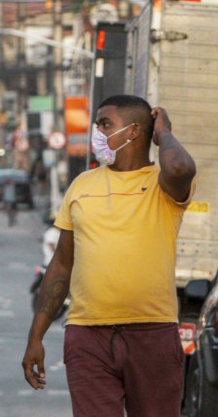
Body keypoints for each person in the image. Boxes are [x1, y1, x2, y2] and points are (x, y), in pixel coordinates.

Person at [21, 95, 196, 417]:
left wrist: (164, 133)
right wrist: (36, 336)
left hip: (153, 333)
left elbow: (181, 166)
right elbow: (61, 264)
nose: (97, 132)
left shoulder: (162, 185)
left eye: (105, 124)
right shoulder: (81, 185)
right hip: (87, 335)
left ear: (133, 131)